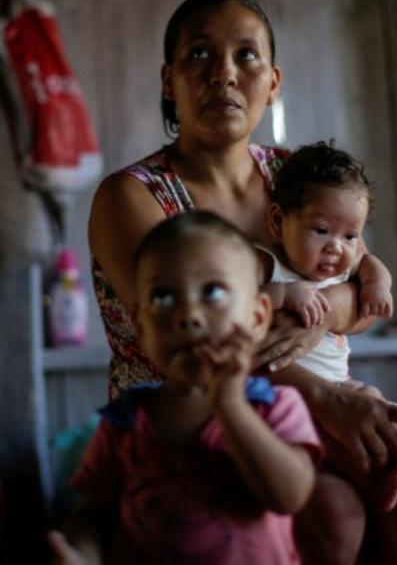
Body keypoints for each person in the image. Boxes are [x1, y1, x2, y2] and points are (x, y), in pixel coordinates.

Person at [87, 0, 397, 563]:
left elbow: (360, 292)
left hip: (306, 399)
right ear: (168, 81)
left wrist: (320, 321)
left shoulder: (292, 175)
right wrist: (326, 395)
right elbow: (188, 336)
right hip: (194, 414)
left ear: (274, 81)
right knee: (334, 518)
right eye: (200, 55)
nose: (224, 75)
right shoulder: (132, 197)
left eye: (246, 56)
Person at [49, 211, 322, 564]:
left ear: (257, 317)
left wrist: (230, 406)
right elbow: (94, 513)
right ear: (141, 326)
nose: (188, 314)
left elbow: (290, 496)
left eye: (213, 291)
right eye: (163, 297)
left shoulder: (274, 405)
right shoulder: (126, 419)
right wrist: (81, 553)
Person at [262, 140, 397, 514]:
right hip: (287, 395)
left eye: (349, 235)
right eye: (321, 230)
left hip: (339, 382)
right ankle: (384, 471)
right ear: (280, 221)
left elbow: (369, 264)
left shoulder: (345, 266)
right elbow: (243, 303)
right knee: (346, 438)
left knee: (371, 397)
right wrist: (284, 295)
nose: (336, 248)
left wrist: (379, 285)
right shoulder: (268, 265)